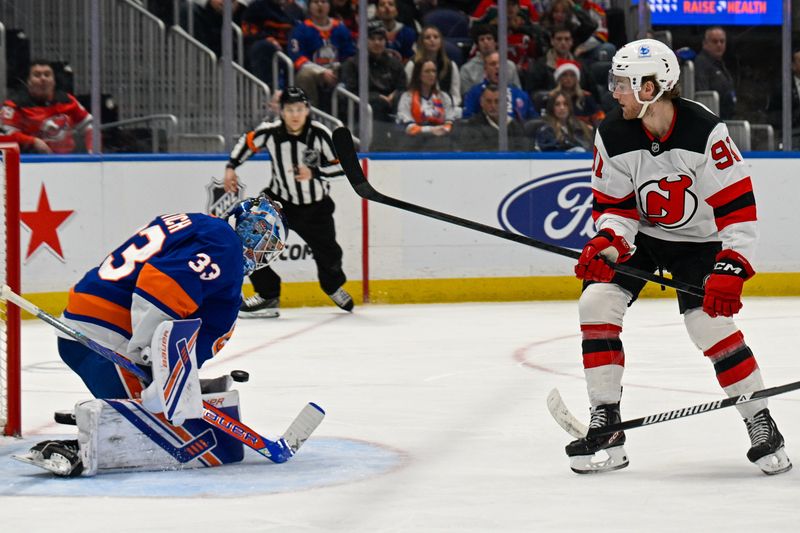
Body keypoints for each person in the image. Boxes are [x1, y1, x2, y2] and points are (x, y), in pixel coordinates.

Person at [567, 38, 791, 476]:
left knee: (708, 324)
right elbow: (617, 209)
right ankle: (606, 421)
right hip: (646, 239)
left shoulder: (704, 131)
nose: (614, 92)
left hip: (701, 243)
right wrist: (607, 244)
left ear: (651, 88)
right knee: (596, 302)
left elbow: (738, 210)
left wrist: (731, 266)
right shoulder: (612, 132)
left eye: (623, 84)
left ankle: (761, 423)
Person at [15, 197, 288, 476]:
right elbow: (161, 287)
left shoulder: (199, 225)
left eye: (267, 248)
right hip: (111, 334)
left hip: (89, 322)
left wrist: (179, 374)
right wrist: (160, 364)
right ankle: (87, 443)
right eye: (257, 237)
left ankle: (112, 409)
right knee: (165, 432)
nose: (258, 252)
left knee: (163, 409)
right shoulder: (224, 244)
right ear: (240, 223)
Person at [224, 86, 354, 317]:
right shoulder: (271, 132)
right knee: (249, 240)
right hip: (278, 202)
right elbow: (248, 142)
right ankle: (268, 294)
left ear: (307, 110)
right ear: (281, 111)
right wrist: (231, 167)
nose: (295, 115)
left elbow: (342, 167)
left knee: (330, 254)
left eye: (299, 109)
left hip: (316, 207)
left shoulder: (320, 133)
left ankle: (332, 286)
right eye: (290, 109)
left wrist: (315, 173)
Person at [1, 59, 93, 154]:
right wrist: (33, 141)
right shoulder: (14, 105)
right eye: (37, 75)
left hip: (67, 161)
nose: (43, 79)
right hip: (28, 162)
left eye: (47, 74)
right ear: (28, 81)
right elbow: (4, 135)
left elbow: (90, 127)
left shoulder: (68, 101)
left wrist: (93, 153)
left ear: (54, 81)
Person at [288, 0, 356, 109]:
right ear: (309, 6)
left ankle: (348, 110)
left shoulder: (340, 28)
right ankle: (311, 111)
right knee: (304, 76)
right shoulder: (300, 30)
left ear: (329, 6)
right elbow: (297, 57)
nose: (320, 5)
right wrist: (321, 71)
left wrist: (337, 69)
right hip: (313, 71)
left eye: (323, 1)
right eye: (315, 2)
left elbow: (349, 55)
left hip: (336, 69)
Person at [340, 20, 407, 123]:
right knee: (377, 104)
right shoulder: (352, 64)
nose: (377, 42)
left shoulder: (395, 64)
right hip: (362, 110)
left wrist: (395, 95)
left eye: (380, 39)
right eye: (372, 39)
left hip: (391, 106)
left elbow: (403, 87)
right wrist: (376, 97)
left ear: (385, 41)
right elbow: (349, 92)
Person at [396, 59, 458, 151]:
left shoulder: (443, 97)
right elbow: (408, 127)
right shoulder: (407, 97)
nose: (431, 75)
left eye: (434, 71)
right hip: (414, 141)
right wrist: (431, 130)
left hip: (441, 140)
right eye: (427, 71)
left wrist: (444, 129)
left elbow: (450, 121)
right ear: (418, 74)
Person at [462, 51, 538, 121]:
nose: (497, 67)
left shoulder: (520, 94)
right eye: (493, 64)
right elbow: (467, 120)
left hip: (516, 134)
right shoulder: (474, 93)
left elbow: (534, 122)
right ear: (485, 69)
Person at [455, 83, 529, 151]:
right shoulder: (473, 125)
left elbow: (523, 149)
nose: (493, 106)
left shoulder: (515, 125)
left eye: (497, 101)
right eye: (489, 101)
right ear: (482, 102)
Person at [404, 25, 462, 108]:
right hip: (419, 107)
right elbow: (407, 93)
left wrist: (445, 106)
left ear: (441, 41)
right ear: (421, 42)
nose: (432, 40)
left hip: (446, 108)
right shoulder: (412, 65)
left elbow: (456, 96)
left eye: (436, 37)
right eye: (428, 38)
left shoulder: (451, 65)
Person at [459, 24, 521, 98]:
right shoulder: (467, 69)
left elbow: (518, 93)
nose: (486, 42)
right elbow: (467, 97)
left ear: (495, 42)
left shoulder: (510, 66)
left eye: (489, 38)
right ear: (477, 45)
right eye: (482, 39)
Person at [694, 26, 736, 119]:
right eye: (715, 41)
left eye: (722, 41)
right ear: (705, 43)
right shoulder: (701, 63)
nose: (719, 45)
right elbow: (703, 95)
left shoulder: (720, 64)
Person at [549, 59, 604, 126]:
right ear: (559, 78)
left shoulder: (586, 96)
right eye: (564, 75)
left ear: (576, 79)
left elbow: (599, 117)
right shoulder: (552, 96)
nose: (568, 78)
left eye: (572, 75)